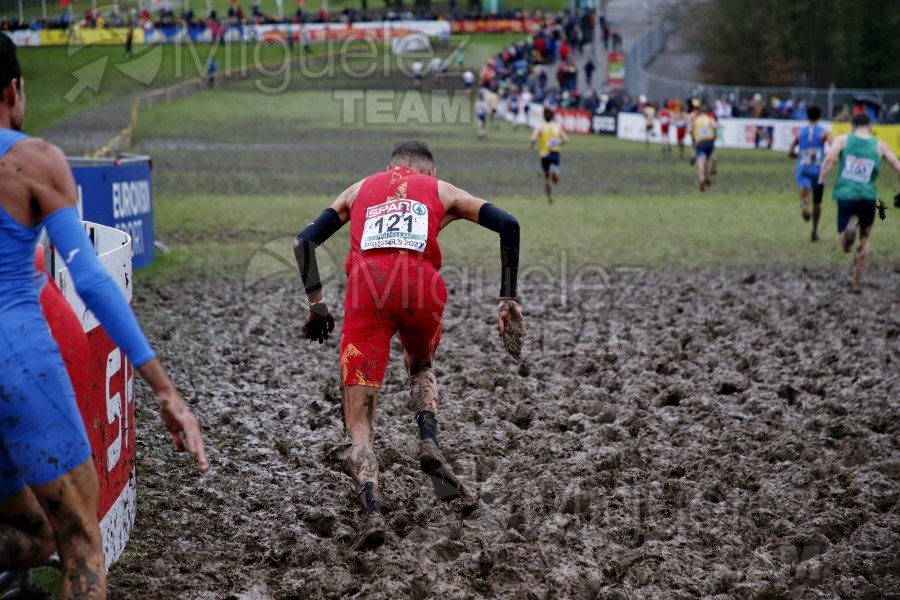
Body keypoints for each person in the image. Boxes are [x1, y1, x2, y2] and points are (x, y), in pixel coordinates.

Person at [0, 33, 208, 598]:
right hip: (17, 356)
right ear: (14, 90)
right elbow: (89, 278)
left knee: (34, 531)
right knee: (80, 544)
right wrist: (163, 388)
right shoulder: (31, 159)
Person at [292, 141, 523, 551]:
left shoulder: (359, 188)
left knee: (359, 422)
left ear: (388, 168)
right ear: (429, 173)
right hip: (421, 288)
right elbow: (509, 224)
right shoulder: (441, 190)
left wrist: (318, 307)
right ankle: (429, 441)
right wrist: (508, 298)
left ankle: (372, 513)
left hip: (368, 291)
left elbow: (303, 242)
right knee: (419, 365)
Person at [818, 112, 900, 290]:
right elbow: (896, 164)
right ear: (870, 127)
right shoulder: (880, 145)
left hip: (846, 195)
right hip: (867, 197)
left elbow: (830, 158)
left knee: (845, 246)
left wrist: (821, 179)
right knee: (865, 240)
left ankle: (849, 227)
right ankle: (856, 282)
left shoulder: (843, 140)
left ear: (852, 126)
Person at [786, 105, 832, 241]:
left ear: (807, 116)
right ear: (819, 116)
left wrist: (799, 157)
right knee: (817, 203)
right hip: (818, 171)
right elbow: (834, 146)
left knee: (804, 193)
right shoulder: (824, 132)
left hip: (803, 168)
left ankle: (805, 206)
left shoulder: (800, 133)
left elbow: (789, 152)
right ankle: (814, 230)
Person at [530, 106, 568, 204]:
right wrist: (557, 143)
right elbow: (565, 139)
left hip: (544, 155)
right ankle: (555, 173)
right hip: (555, 154)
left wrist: (531, 145)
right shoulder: (557, 126)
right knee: (556, 179)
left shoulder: (540, 126)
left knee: (547, 177)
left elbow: (533, 139)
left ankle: (549, 196)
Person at [690, 103, 718, 191]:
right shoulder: (710, 119)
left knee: (701, 163)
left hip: (700, 143)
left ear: (699, 112)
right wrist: (714, 136)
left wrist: (694, 138)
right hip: (709, 142)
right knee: (709, 161)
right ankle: (708, 176)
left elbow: (690, 130)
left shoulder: (696, 120)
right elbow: (715, 127)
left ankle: (702, 179)